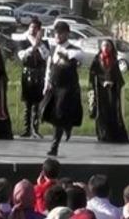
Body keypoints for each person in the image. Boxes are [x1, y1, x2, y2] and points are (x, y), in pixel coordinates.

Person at [40, 22, 84, 157]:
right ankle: (66, 125)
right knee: (47, 112)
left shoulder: (73, 49)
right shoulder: (53, 49)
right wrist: (46, 83)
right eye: (56, 33)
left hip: (67, 88)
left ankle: (54, 146)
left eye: (60, 33)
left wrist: (64, 52)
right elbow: (49, 67)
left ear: (67, 34)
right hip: (54, 86)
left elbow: (79, 56)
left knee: (59, 114)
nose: (57, 36)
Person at [89, 40, 129, 144]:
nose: (106, 47)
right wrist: (102, 83)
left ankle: (114, 135)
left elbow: (118, 75)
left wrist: (115, 83)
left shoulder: (114, 60)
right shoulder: (97, 60)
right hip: (100, 91)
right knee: (102, 112)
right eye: (104, 45)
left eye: (108, 45)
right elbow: (93, 74)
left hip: (112, 90)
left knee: (113, 112)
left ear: (111, 47)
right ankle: (103, 135)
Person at [17, 18, 49, 138]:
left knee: (37, 103)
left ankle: (35, 129)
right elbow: (22, 55)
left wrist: (39, 44)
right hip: (28, 74)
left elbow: (46, 56)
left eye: (35, 28)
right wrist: (33, 46)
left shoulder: (44, 43)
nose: (32, 30)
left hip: (39, 75)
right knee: (27, 103)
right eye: (31, 27)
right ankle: (26, 129)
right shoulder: (23, 41)